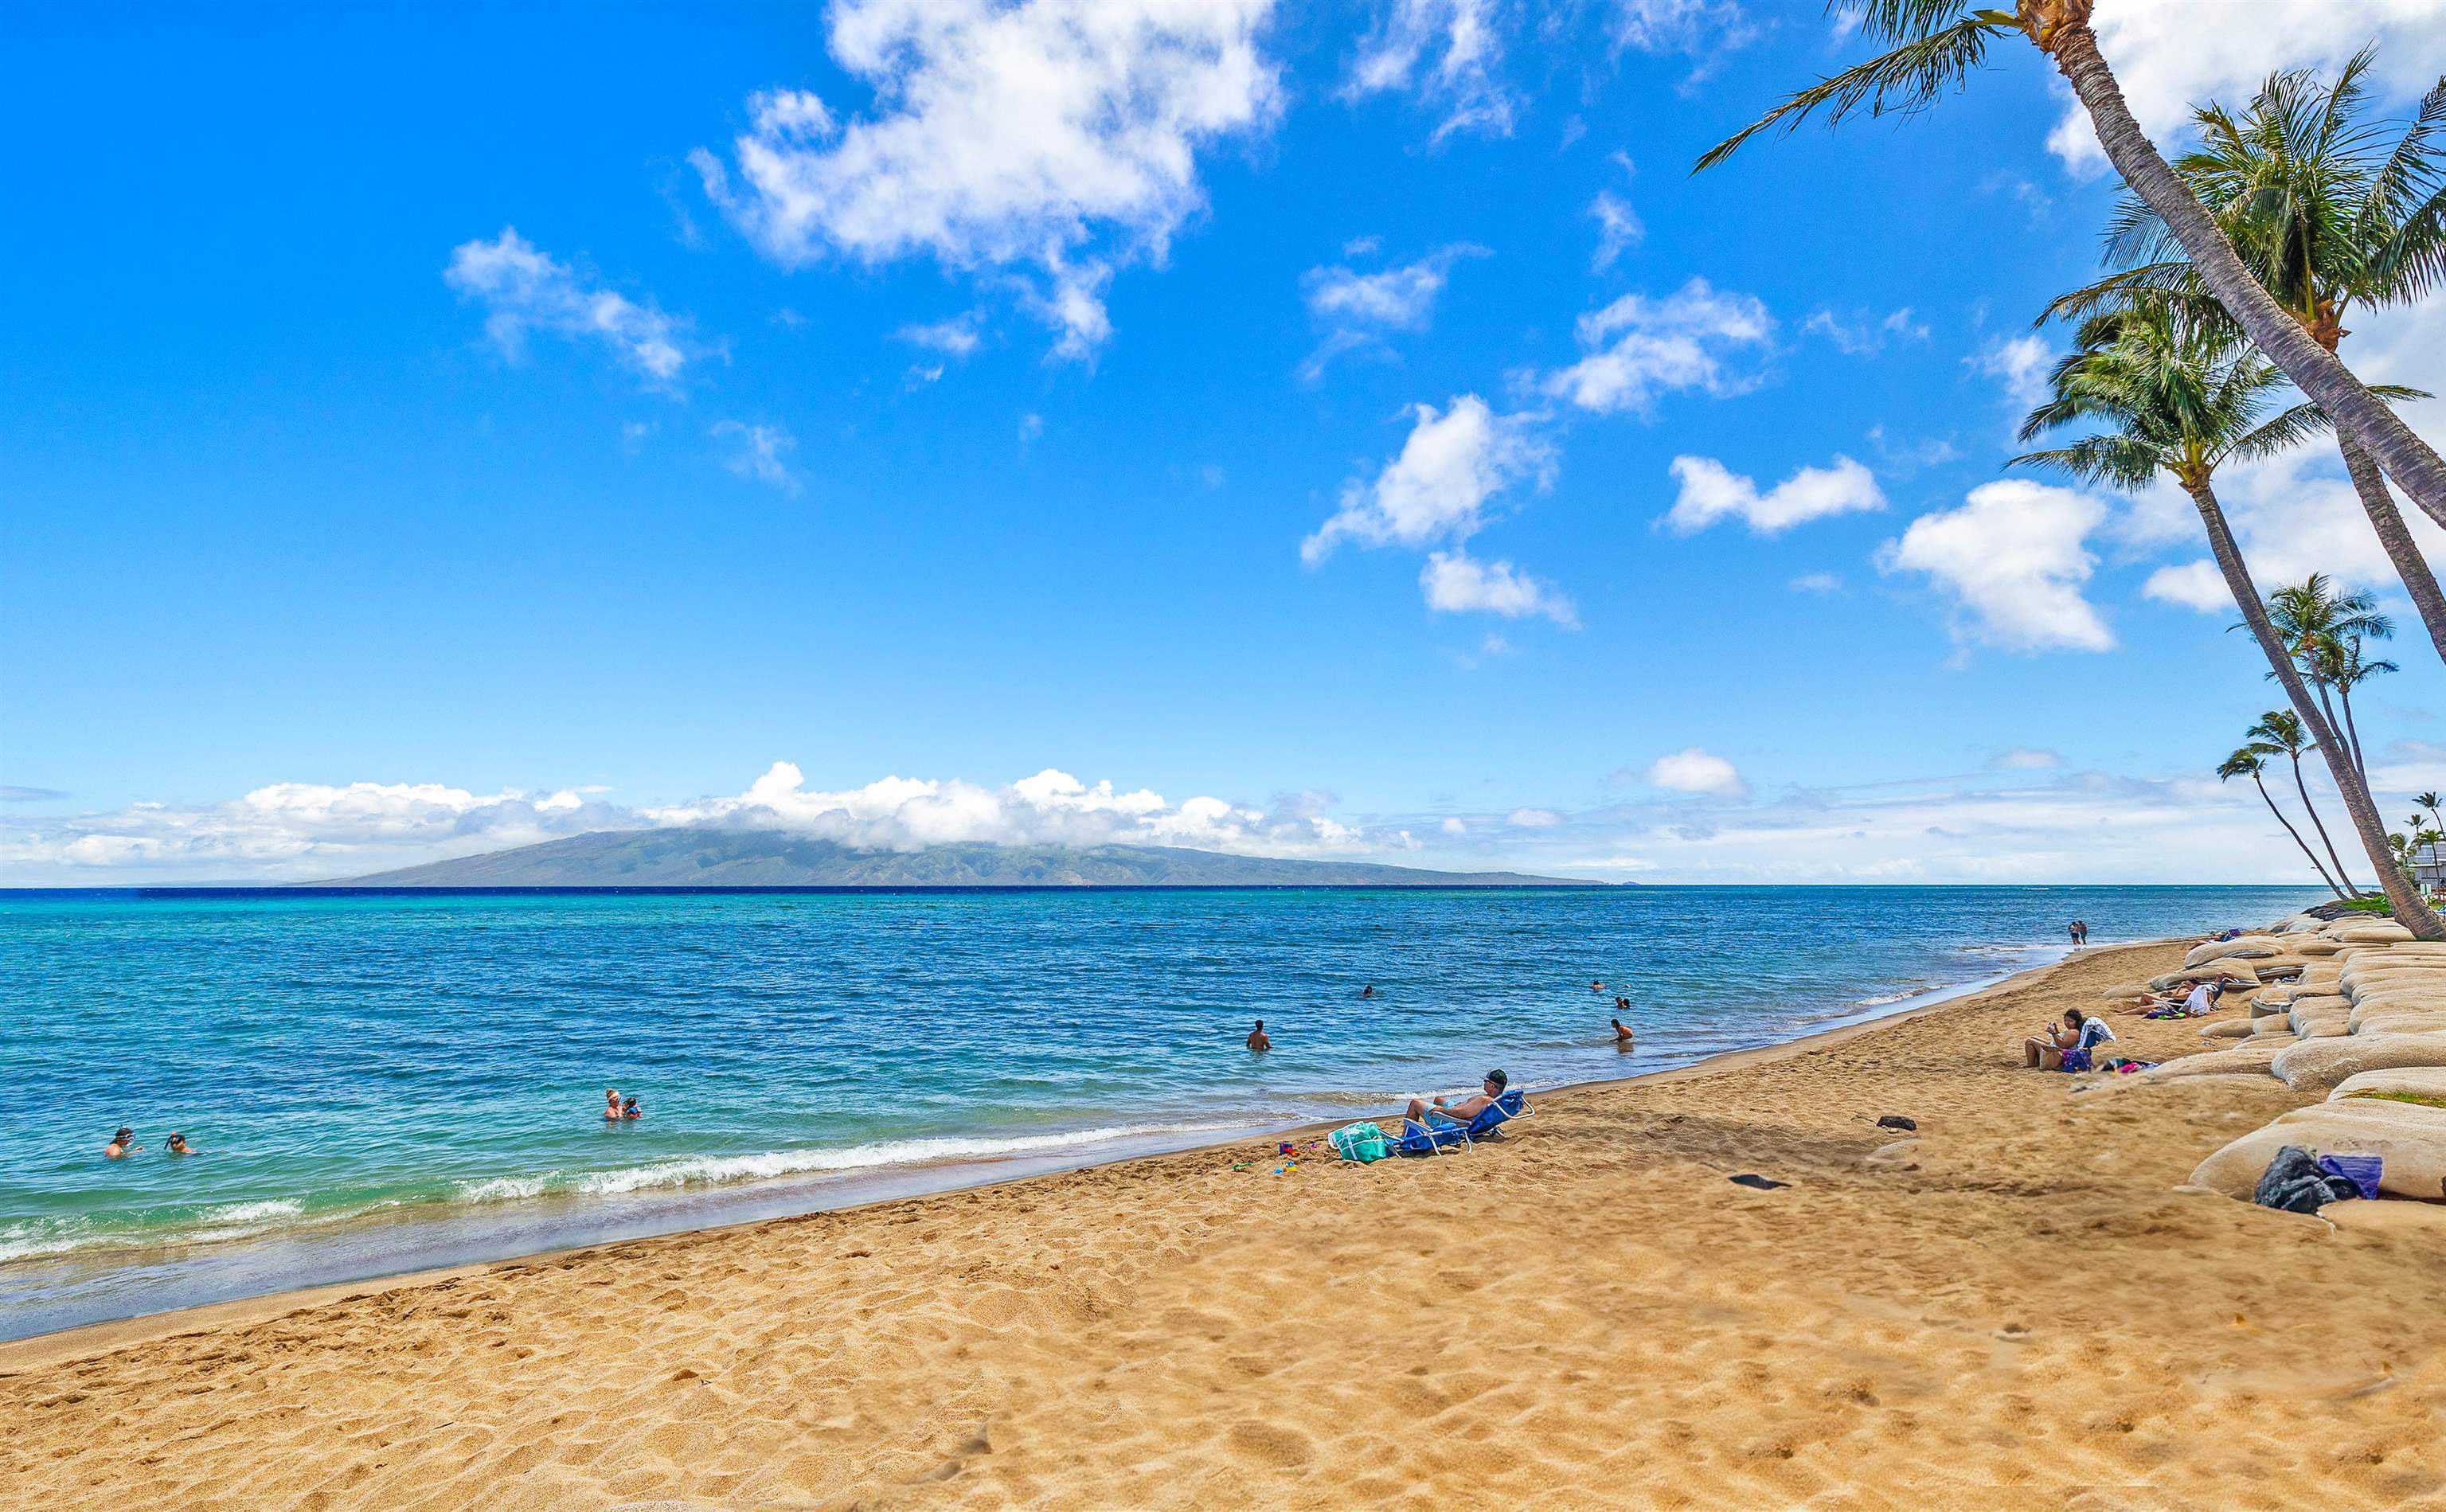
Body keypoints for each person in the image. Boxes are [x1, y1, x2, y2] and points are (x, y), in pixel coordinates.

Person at [1407, 1069, 1507, 1127]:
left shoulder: (1485, 1100)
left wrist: (1441, 1110)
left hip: (1451, 1119)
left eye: (1486, 1081)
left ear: (1492, 1086)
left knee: (1415, 1103)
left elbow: (1460, 1114)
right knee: (1439, 1099)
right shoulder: (1497, 1100)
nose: (1483, 1083)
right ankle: (1432, 1122)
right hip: (1455, 1110)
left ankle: (1406, 1137)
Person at [2023, 1010, 2113, 1072]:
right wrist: (2056, 1031)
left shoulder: (2074, 1032)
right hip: (2059, 1051)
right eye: (2065, 1020)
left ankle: (2031, 1064)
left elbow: (2063, 1044)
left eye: (2070, 1021)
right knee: (2034, 1038)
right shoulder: (2075, 1031)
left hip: (2060, 1055)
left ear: (2076, 1022)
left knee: (2029, 1041)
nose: (2067, 1023)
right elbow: (2064, 1041)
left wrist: (2054, 1033)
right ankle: (2034, 1062)